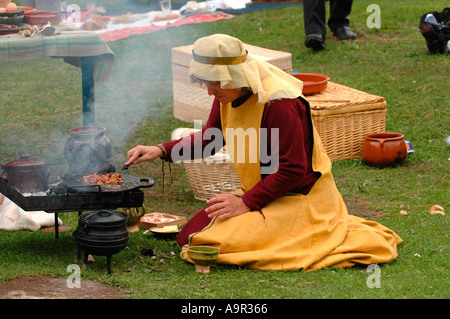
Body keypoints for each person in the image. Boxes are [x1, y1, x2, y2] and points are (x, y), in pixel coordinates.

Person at [126, 34, 402, 271]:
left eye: (215, 82)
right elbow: (212, 138)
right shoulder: (229, 93)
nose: (210, 91)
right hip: (264, 193)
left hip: (300, 199)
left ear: (235, 75)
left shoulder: (278, 103)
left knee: (204, 242)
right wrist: (161, 150)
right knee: (190, 235)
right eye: (205, 83)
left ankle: (317, 230)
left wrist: (246, 202)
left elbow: (293, 170)